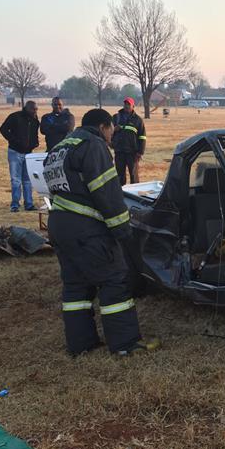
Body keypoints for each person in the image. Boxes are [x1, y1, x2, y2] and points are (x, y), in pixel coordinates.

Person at [42, 108, 158, 357]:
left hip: (59, 224)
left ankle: (81, 344)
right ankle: (125, 344)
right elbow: (107, 192)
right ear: (103, 126)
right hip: (86, 229)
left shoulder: (59, 148)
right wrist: (123, 232)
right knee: (114, 280)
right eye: (111, 131)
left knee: (76, 286)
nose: (112, 137)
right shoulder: (93, 146)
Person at [0, 100, 40, 212]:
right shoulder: (15, 117)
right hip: (15, 152)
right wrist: (13, 140)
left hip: (28, 154)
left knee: (28, 180)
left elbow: (35, 134)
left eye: (36, 109)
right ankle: (15, 205)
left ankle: (29, 204)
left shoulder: (35, 120)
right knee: (16, 180)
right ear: (27, 108)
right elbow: (3, 129)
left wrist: (35, 143)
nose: (35, 111)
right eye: (33, 109)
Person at [112, 97, 146, 185]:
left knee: (134, 175)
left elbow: (142, 137)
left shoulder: (138, 120)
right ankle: (121, 191)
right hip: (119, 151)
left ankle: (134, 191)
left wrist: (140, 152)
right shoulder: (116, 117)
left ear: (133, 106)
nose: (126, 106)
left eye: (128, 104)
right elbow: (108, 132)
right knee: (120, 175)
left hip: (133, 152)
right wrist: (114, 130)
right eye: (125, 104)